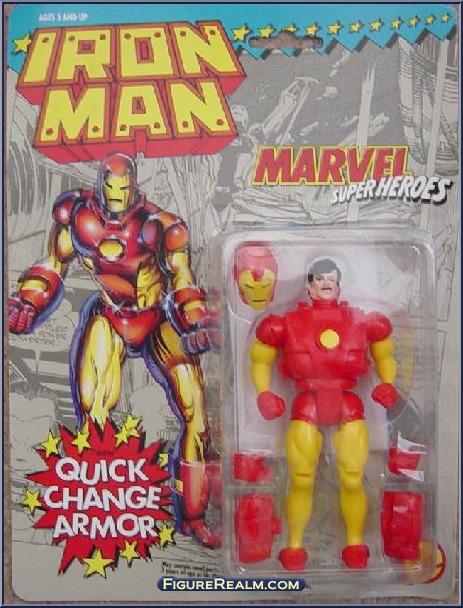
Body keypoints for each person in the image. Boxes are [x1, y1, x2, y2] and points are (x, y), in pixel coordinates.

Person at [8, 152, 219, 547]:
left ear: (135, 185)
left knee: (196, 417)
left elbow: (183, 279)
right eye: (109, 186)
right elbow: (52, 264)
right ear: (99, 183)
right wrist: (29, 299)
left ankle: (192, 516)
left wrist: (196, 319)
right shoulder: (77, 216)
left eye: (122, 187)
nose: (116, 194)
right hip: (110, 315)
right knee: (95, 414)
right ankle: (104, 503)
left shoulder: (161, 226)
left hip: (156, 318)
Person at [250, 258, 397, 570]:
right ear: (309, 285)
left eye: (331, 278)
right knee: (301, 479)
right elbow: (261, 358)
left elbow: (384, 349)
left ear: (339, 284)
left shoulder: (361, 321)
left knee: (353, 478)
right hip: (307, 404)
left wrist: (388, 383)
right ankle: (293, 547)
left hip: (348, 403)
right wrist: (264, 393)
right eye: (319, 278)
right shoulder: (286, 323)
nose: (326, 283)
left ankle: (355, 544)